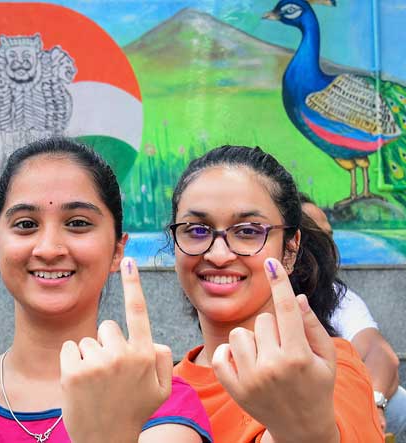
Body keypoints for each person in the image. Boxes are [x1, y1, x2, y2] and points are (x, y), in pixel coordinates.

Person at [0, 137, 213, 442]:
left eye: (78, 223)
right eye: (26, 224)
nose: (49, 249)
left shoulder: (157, 398)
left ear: (117, 250)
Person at [169, 145, 383, 442]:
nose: (218, 254)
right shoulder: (156, 390)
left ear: (290, 249)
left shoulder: (325, 370)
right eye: (196, 230)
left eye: (248, 231)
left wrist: (305, 431)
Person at [301, 195, 405, 436]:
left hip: (349, 400)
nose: (329, 247)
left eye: (330, 236)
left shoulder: (336, 295)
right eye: (316, 236)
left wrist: (375, 403)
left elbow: (382, 355)